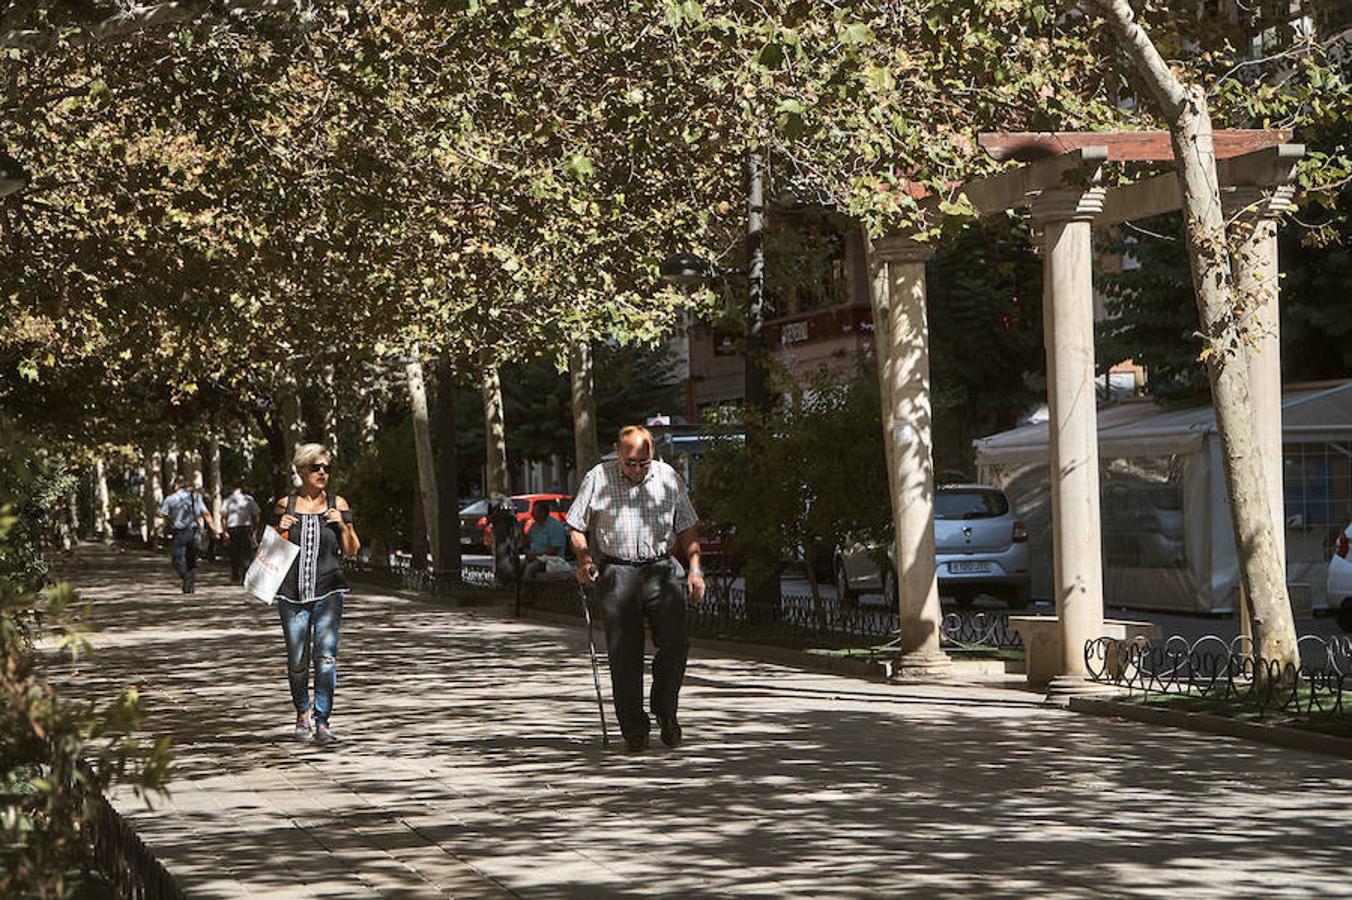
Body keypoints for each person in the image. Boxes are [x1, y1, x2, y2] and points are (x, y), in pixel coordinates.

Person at [567, 425, 705, 753]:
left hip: (660, 567)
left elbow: (686, 525)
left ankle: (665, 711)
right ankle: (634, 728)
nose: (638, 470)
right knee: (624, 652)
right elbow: (575, 525)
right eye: (631, 463)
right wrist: (585, 559)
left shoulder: (668, 477)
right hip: (617, 569)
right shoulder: (598, 478)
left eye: (644, 462)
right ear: (618, 454)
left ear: (652, 455)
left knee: (675, 642)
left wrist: (695, 569)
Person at [271, 444, 360, 746]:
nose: (322, 472)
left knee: (325, 658)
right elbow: (270, 551)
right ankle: (302, 714)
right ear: (300, 471)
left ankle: (323, 721)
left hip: (329, 592)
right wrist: (278, 529)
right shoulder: (286, 505)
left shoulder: (337, 503)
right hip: (291, 595)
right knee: (298, 660)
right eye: (316, 467)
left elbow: (352, 550)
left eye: (326, 468)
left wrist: (342, 526)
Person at [156, 476, 222, 594]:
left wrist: (170, 517)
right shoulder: (195, 497)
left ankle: (186, 578)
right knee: (191, 558)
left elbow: (162, 514)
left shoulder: (170, 499)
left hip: (180, 531)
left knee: (177, 558)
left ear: (176, 485)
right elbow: (206, 514)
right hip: (194, 531)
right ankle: (189, 585)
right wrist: (214, 530)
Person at [221, 483, 262, 584]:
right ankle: (245, 576)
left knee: (234, 553)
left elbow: (223, 517)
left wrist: (224, 531)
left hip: (233, 529)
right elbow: (256, 514)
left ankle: (235, 577)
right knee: (246, 553)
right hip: (245, 528)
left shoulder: (227, 500)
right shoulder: (248, 499)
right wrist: (255, 528)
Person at [522, 499, 568, 579]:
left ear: (543, 512)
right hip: (535, 558)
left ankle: (528, 590)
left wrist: (535, 556)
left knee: (530, 569)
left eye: (535, 511)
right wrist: (521, 531)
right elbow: (527, 544)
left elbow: (553, 551)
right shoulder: (534, 526)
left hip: (551, 560)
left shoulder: (555, 526)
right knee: (516, 565)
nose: (532, 513)